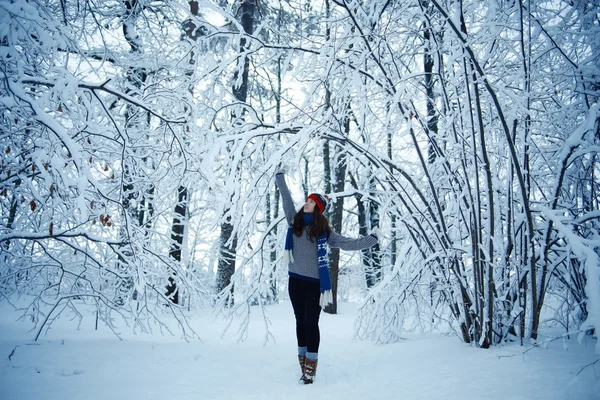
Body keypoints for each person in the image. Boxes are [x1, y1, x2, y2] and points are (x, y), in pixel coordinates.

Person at [275, 170, 380, 384]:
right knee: (300, 322)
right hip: (295, 281)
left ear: (318, 209)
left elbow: (348, 244)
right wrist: (279, 177)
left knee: (311, 324)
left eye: (311, 202)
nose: (306, 203)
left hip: (315, 286)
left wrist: (371, 239)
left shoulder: (324, 233)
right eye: (306, 200)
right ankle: (303, 363)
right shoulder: (294, 223)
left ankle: (310, 369)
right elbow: (286, 199)